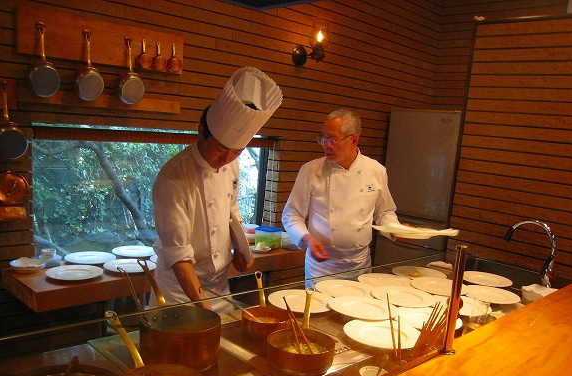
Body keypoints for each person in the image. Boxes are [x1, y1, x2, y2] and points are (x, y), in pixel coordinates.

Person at [151, 66, 282, 312]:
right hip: (179, 293)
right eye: (220, 149)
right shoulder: (172, 178)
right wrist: (205, 309)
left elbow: (231, 211)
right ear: (201, 132)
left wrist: (240, 247)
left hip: (220, 286)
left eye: (237, 152)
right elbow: (178, 255)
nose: (226, 160)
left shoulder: (231, 165)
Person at [282, 108, 400, 282]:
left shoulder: (376, 170)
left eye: (332, 139)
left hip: (360, 266)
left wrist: (396, 229)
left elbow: (384, 212)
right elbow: (292, 215)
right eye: (323, 138)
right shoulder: (310, 170)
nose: (325, 145)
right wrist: (307, 239)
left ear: (353, 140)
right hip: (321, 269)